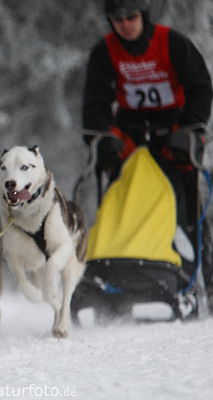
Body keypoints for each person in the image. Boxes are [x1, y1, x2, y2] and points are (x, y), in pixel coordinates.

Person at [82, 0, 213, 308]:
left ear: (144, 15)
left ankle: (199, 276)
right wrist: (103, 139)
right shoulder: (105, 52)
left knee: (188, 206)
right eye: (117, 20)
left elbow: (200, 87)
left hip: (174, 133)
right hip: (129, 137)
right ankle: (116, 274)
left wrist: (191, 129)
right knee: (122, 198)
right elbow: (95, 103)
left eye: (131, 17)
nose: (125, 24)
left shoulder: (172, 43)